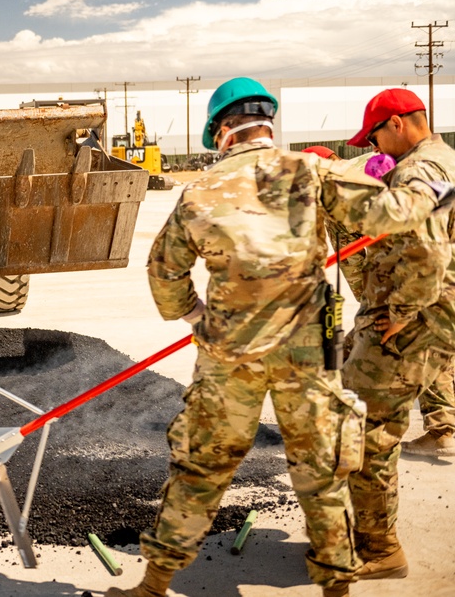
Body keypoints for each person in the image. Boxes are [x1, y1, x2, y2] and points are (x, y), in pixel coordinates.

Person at [111, 78, 448, 597]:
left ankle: (153, 586)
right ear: (268, 124)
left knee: (201, 465)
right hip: (307, 353)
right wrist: (436, 187)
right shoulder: (311, 171)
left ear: (222, 131)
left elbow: (163, 273)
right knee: (323, 471)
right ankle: (337, 588)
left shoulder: (199, 191)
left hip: (228, 358)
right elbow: (392, 216)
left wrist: (198, 319)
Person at [339, 88, 455, 582]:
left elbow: (429, 251)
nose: (375, 150)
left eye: (376, 137)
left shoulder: (415, 171)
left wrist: (404, 310)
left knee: (367, 434)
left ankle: (380, 548)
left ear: (400, 123)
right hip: (438, 317)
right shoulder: (446, 160)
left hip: (415, 323)